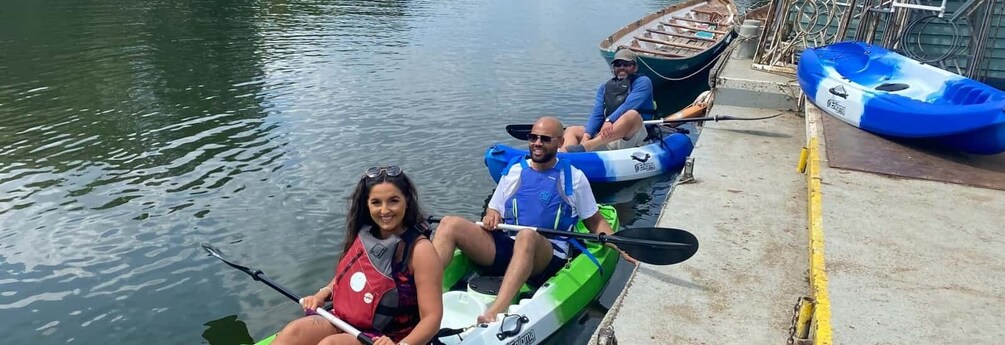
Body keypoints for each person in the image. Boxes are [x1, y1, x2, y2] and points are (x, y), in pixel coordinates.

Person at [432, 116, 632, 324]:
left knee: (527, 236)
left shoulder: (573, 177)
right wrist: (491, 215)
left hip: (547, 256)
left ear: (560, 142)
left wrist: (619, 243)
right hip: (509, 246)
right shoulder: (514, 171)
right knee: (449, 223)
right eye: (533, 137)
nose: (537, 143)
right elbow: (494, 207)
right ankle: (421, 292)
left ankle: (495, 311)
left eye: (545, 139)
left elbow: (595, 221)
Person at [272, 166, 443, 345]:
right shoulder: (365, 234)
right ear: (367, 204)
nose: (385, 210)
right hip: (345, 321)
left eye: (393, 201)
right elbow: (349, 276)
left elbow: (432, 318)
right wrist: (322, 295)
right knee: (294, 332)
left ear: (406, 200)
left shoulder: (420, 250)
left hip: (387, 339)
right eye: (376, 202)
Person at [561, 49, 657, 152]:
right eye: (618, 64)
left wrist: (609, 120)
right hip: (607, 136)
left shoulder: (643, 82)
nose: (622, 68)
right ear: (613, 68)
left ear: (635, 67)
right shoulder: (604, 87)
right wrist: (587, 135)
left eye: (626, 64)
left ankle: (586, 147)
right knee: (572, 130)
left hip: (631, 136)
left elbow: (629, 105)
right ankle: (564, 157)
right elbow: (597, 113)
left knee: (632, 114)